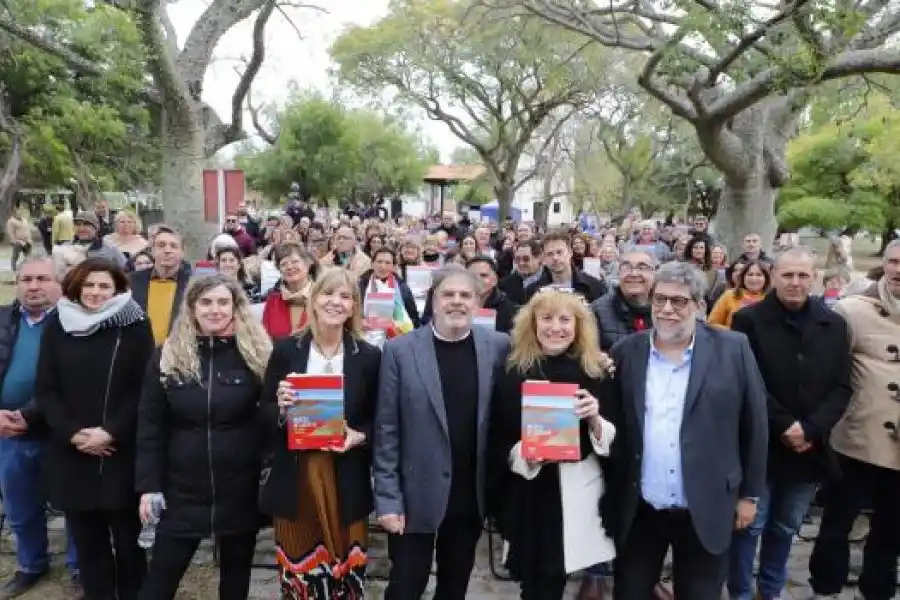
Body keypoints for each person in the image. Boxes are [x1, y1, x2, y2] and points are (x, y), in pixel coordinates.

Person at [602, 262, 768, 600]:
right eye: (660, 299)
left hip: (706, 505)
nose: (667, 309)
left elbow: (755, 425)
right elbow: (611, 424)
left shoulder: (733, 349)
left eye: (679, 301)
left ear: (699, 305)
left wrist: (750, 495)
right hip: (641, 507)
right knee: (630, 591)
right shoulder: (626, 352)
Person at [374, 265, 509, 600]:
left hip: (468, 495)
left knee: (454, 587)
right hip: (414, 495)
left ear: (478, 303)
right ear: (433, 300)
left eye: (465, 295)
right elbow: (387, 430)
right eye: (448, 294)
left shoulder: (498, 347)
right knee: (406, 587)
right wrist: (388, 499)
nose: (457, 302)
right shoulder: (400, 351)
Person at [726, 247, 852, 600]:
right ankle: (739, 592)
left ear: (814, 278)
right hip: (762, 442)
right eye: (787, 274)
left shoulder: (834, 325)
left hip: (808, 447)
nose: (795, 282)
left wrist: (810, 428)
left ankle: (771, 590)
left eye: (803, 275)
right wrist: (784, 425)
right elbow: (746, 381)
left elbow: (842, 386)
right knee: (749, 526)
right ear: (774, 277)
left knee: (785, 527)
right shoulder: (748, 321)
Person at [136, 274, 271, 600]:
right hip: (181, 489)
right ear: (192, 307)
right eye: (206, 302)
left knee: (235, 581)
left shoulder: (258, 355)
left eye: (223, 302)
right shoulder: (168, 356)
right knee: (159, 581)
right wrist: (149, 486)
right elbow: (150, 425)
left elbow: (271, 419)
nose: (215, 310)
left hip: (239, 488)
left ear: (236, 307)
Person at [259, 269, 381, 598]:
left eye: (345, 296)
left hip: (346, 477)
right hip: (297, 477)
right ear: (313, 300)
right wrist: (280, 407)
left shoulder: (368, 357)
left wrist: (359, 436)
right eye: (328, 293)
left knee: (346, 575)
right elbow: (263, 413)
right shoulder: (287, 350)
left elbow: (381, 420)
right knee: (301, 573)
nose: (335, 302)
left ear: (354, 307)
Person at [35, 258, 153, 600]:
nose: (96, 292)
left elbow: (143, 388)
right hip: (73, 453)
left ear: (117, 289)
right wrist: (73, 433)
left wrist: (111, 431)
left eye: (104, 285)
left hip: (120, 451)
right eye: (89, 284)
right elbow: (46, 389)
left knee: (129, 545)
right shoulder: (57, 323)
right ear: (76, 286)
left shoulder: (135, 324)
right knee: (89, 545)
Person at [488, 289, 617, 600]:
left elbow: (617, 436)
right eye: (546, 318)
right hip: (530, 491)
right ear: (532, 323)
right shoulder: (514, 370)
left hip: (577, 489)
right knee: (536, 584)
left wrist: (594, 418)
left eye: (564, 319)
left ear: (578, 325)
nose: (555, 327)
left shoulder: (596, 370)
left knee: (560, 572)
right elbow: (499, 434)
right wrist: (526, 455)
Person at [808, 239, 900, 600]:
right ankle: (825, 589)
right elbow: (827, 369)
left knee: (890, 531)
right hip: (855, 440)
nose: (899, 270)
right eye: (894, 261)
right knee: (836, 523)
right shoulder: (852, 310)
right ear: (885, 264)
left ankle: (877, 591)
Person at [0, 258, 80, 599]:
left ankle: (80, 568)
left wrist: (28, 414)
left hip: (59, 429)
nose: (33, 286)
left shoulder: (75, 322)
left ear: (60, 283)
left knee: (75, 503)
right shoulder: (3, 319)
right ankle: (31, 565)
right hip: (8, 433)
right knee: (20, 506)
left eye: (43, 279)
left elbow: (73, 379)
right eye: (27, 279)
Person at [129, 226, 191, 346]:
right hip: (139, 351)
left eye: (173, 246)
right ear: (152, 250)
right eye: (161, 245)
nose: (167, 250)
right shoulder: (132, 281)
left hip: (177, 352)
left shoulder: (193, 283)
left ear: (182, 252)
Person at [524, 231, 607, 303]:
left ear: (570, 253)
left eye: (559, 252)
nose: (555, 258)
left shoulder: (595, 286)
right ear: (544, 258)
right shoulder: (533, 291)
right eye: (550, 254)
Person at [261, 243, 319, 337]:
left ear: (308, 264)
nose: (289, 267)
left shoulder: (321, 296)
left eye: (295, 261)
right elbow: (265, 338)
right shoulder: (273, 301)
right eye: (283, 264)